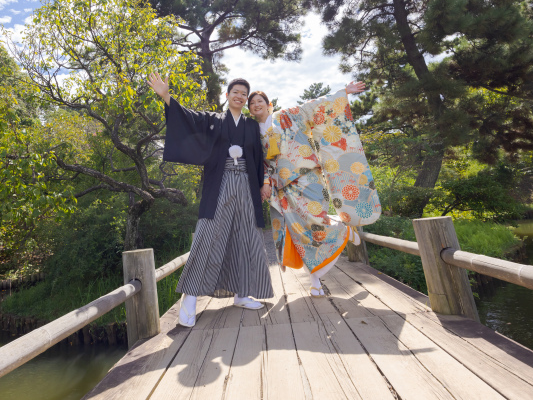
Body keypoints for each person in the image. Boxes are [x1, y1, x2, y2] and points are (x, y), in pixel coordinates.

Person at [147, 73, 274, 327]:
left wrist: (264, 182)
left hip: (247, 185)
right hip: (222, 183)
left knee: (246, 236)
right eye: (235, 92)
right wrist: (166, 96)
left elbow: (261, 156)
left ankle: (241, 293)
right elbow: (188, 118)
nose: (240, 96)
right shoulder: (213, 120)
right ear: (227, 96)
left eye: (243, 94)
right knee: (208, 235)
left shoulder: (250, 126)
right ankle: (190, 298)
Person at [248, 82, 381, 297]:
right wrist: (264, 183)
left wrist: (343, 92)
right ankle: (316, 282)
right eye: (252, 103)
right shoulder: (252, 132)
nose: (256, 105)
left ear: (269, 105)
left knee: (316, 223)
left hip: (307, 177)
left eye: (260, 101)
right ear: (250, 109)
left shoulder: (286, 116)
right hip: (282, 188)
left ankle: (341, 231)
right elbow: (258, 162)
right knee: (299, 234)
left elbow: (313, 106)